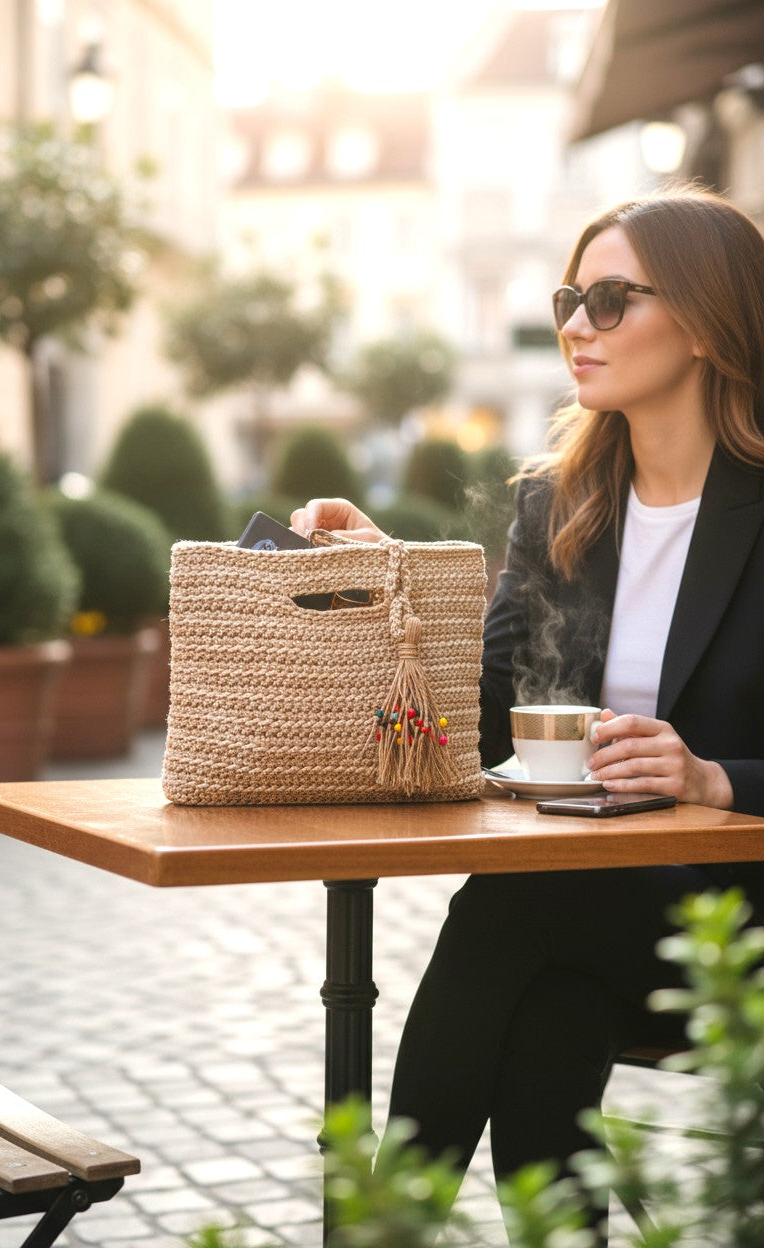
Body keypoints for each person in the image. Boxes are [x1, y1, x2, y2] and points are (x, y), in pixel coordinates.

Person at [290, 186, 764, 1242]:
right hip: (602, 916)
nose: (575, 327)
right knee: (549, 1021)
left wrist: (713, 778)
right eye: (567, 300)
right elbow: (486, 709)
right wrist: (392, 579)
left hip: (737, 922)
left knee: (513, 910)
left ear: (704, 321)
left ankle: (380, 1229)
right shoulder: (561, 504)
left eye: (610, 300)